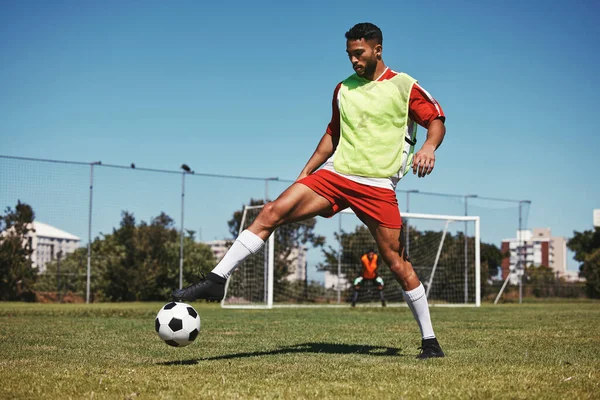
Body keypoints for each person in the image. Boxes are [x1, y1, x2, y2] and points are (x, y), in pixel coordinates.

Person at [173, 22, 446, 359]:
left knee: (395, 261)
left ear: (378, 49)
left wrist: (429, 148)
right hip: (337, 174)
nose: (353, 61)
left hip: (377, 185)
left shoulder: (404, 86)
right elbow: (332, 134)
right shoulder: (343, 89)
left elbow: (436, 120)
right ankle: (218, 277)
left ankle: (430, 341)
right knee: (272, 211)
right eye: (349, 55)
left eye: (359, 54)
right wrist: (306, 173)